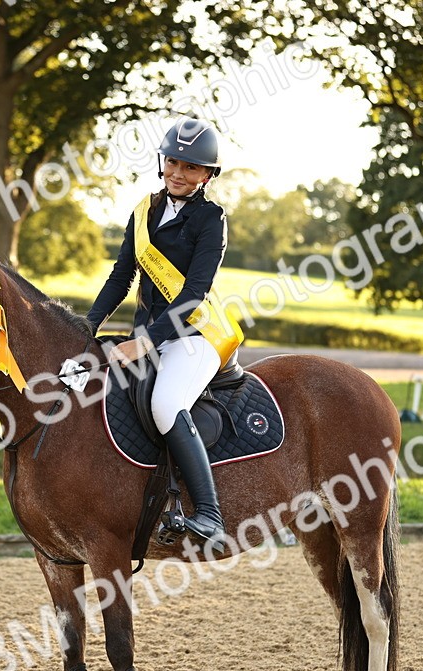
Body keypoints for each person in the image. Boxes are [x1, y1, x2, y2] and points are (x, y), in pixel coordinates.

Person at [86, 116, 242, 555]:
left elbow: (193, 296)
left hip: (194, 335)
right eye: (173, 162)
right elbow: (121, 277)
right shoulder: (143, 212)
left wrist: (146, 342)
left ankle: (209, 512)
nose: (178, 172)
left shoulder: (212, 220)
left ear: (208, 175)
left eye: (191, 167)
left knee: (166, 403)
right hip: (149, 333)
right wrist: (88, 325)